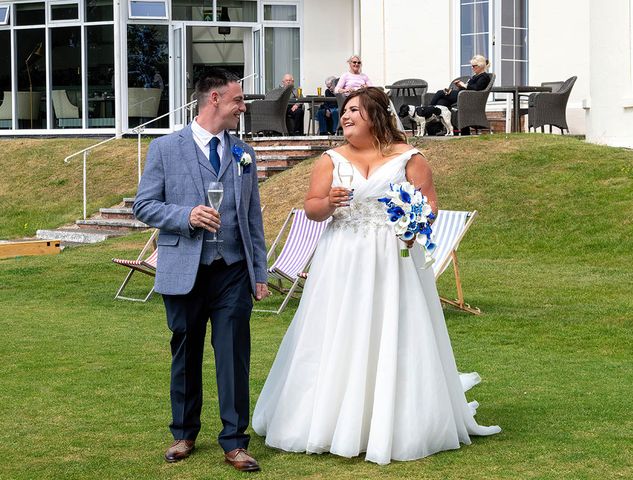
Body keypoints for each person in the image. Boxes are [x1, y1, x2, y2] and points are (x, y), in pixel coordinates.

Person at [252, 87, 500, 465]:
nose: (345, 116)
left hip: (393, 259)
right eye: (344, 111)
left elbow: (430, 204)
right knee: (338, 330)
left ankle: (393, 421)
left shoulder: (409, 158)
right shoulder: (330, 161)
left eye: (354, 110)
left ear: (377, 115)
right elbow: (312, 208)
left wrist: (417, 223)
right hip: (343, 258)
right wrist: (327, 203)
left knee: (392, 331)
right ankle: (331, 419)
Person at [133, 68, 268, 472]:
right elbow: (144, 206)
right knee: (186, 353)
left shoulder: (244, 152)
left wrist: (259, 272)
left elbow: (252, 219)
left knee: (233, 356)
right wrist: (185, 215)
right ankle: (184, 433)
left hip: (233, 270)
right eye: (238, 101)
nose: (243, 107)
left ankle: (234, 441)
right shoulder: (164, 148)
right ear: (214, 100)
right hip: (183, 269)